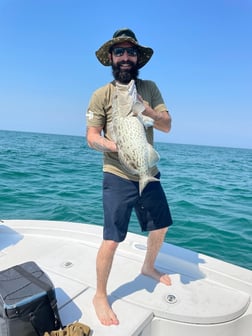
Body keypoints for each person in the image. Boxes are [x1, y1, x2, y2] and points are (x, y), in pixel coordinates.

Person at [86, 28, 173, 326]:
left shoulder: (149, 87)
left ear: (138, 58)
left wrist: (143, 107)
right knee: (111, 240)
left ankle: (148, 267)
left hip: (147, 171)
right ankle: (100, 294)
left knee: (160, 226)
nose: (126, 57)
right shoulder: (102, 94)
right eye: (120, 52)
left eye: (131, 52)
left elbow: (166, 125)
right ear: (111, 58)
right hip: (117, 171)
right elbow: (91, 136)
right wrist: (115, 146)